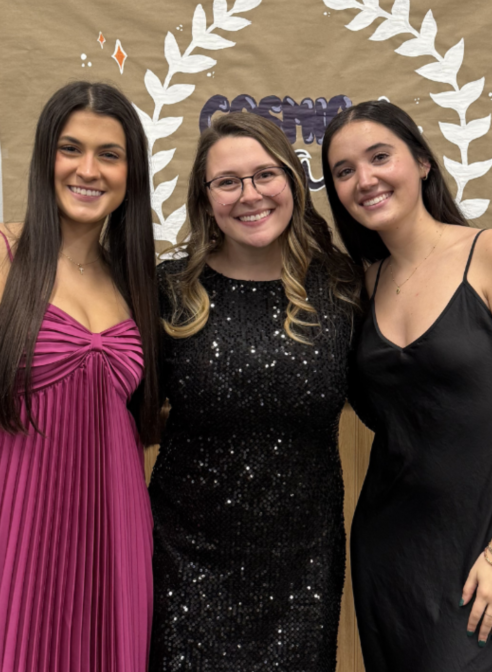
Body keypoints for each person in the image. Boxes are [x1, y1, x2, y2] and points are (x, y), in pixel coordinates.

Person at [0, 81, 160, 671]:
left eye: (109, 154)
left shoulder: (135, 282)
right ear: (43, 159)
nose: (88, 169)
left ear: (130, 173)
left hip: (116, 541)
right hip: (15, 542)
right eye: (70, 148)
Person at [321, 100, 492, 671]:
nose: (365, 179)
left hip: (480, 550)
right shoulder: (360, 282)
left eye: (380, 157)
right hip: (388, 547)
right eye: (344, 170)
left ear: (423, 162)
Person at [148, 112, 360, 671]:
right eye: (227, 181)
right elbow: (120, 414)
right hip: (183, 560)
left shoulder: (341, 286)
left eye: (266, 174)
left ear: (293, 181)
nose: (250, 195)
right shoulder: (168, 290)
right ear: (205, 196)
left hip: (302, 567)